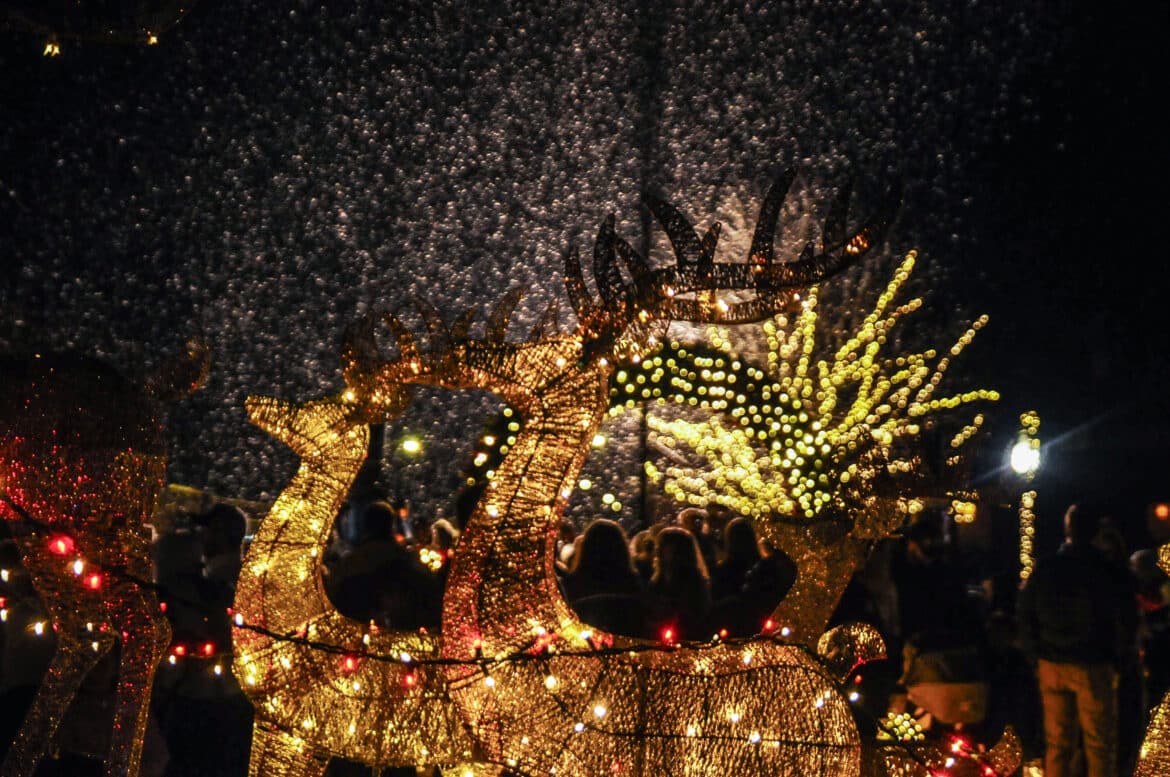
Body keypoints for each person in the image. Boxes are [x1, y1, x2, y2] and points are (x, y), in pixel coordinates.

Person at [1018, 503, 1138, 777]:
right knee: (1099, 744)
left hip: (1051, 662)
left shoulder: (1046, 568)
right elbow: (1127, 615)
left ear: (1067, 529)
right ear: (1095, 531)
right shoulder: (1107, 570)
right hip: (1093, 664)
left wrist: (1034, 655)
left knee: (1058, 745)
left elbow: (1025, 612)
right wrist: (1121, 657)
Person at [646, 526, 712, 640]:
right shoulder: (657, 579)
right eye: (659, 545)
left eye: (664, 545)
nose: (658, 549)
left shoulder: (693, 582)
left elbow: (695, 616)